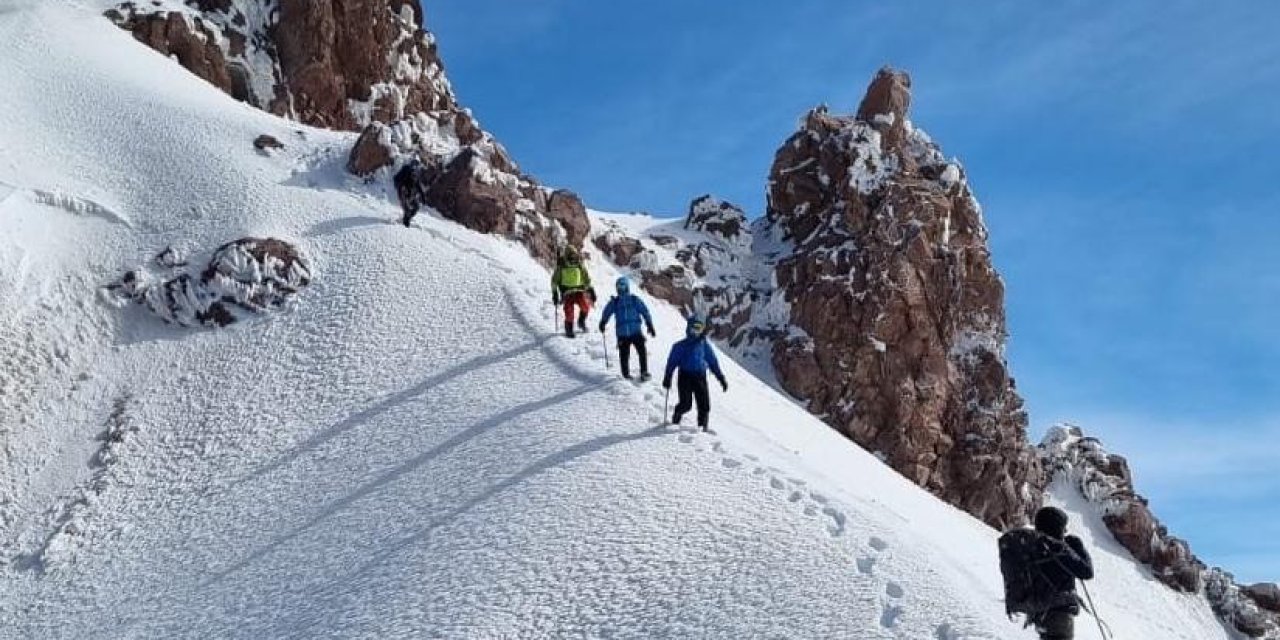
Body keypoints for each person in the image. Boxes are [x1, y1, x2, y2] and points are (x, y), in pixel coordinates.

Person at [1000, 506, 1095, 640]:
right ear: (1056, 526)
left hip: (1040, 612)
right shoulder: (1057, 548)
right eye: (1063, 527)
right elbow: (1086, 572)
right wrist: (1078, 547)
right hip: (1059, 616)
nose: (1065, 531)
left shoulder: (1033, 546)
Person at [662, 316, 727, 431]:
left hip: (700, 377)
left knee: (704, 406)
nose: (696, 332)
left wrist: (720, 377)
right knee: (686, 404)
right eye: (694, 328)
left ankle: (702, 429)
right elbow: (671, 363)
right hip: (685, 377)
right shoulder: (680, 346)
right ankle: (676, 417)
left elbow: (712, 361)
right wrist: (668, 377)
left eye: (699, 329)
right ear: (689, 328)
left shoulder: (703, 345)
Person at [598, 277, 656, 380]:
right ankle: (626, 375)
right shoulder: (615, 302)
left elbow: (644, 311)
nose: (620, 288)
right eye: (618, 286)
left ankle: (644, 372)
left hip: (636, 332)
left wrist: (649, 324)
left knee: (642, 351)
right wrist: (603, 322)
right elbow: (607, 312)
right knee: (624, 355)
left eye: (622, 286)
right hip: (622, 334)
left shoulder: (634, 300)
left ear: (627, 286)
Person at [551, 246, 596, 338]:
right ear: (567, 255)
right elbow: (554, 281)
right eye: (571, 255)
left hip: (579, 290)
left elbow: (586, 278)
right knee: (569, 311)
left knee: (585, 306)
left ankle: (581, 321)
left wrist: (591, 289)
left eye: (574, 255)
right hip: (567, 292)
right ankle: (569, 329)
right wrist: (555, 293)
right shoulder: (561, 266)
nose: (573, 258)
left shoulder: (579, 265)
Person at [394, 157, 430, 227]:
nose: (415, 167)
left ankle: (406, 219)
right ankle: (405, 226)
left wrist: (423, 197)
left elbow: (418, 185)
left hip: (411, 195)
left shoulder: (416, 174)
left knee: (416, 207)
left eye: (417, 166)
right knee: (407, 210)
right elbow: (396, 179)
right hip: (403, 194)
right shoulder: (405, 170)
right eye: (414, 165)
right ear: (411, 164)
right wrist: (401, 187)